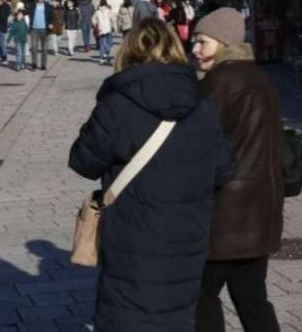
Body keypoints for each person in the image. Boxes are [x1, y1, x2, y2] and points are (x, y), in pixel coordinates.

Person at [69, 19, 233, 332]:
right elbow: (225, 169)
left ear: (127, 52)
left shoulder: (116, 105)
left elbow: (82, 161)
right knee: (178, 318)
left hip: (131, 237)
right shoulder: (202, 105)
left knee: (127, 317)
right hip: (188, 238)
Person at [191, 8, 284, 332]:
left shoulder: (217, 83)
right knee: (252, 297)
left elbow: (198, 148)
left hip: (224, 215)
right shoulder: (259, 78)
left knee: (200, 295)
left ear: (223, 42)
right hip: (260, 209)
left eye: (202, 42)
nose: (195, 49)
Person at [27, 0, 54, 70]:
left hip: (45, 29)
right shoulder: (32, 6)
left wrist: (51, 23)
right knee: (34, 47)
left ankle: (43, 65)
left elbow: (52, 16)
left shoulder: (48, 6)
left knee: (45, 49)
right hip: (34, 29)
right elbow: (26, 12)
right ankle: (34, 63)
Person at [91, 0, 116, 66]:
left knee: (102, 44)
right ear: (106, 3)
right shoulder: (109, 11)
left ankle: (101, 58)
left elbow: (93, 19)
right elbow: (113, 19)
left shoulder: (97, 11)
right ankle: (106, 54)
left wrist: (95, 24)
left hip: (100, 30)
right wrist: (113, 26)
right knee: (109, 43)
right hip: (108, 29)